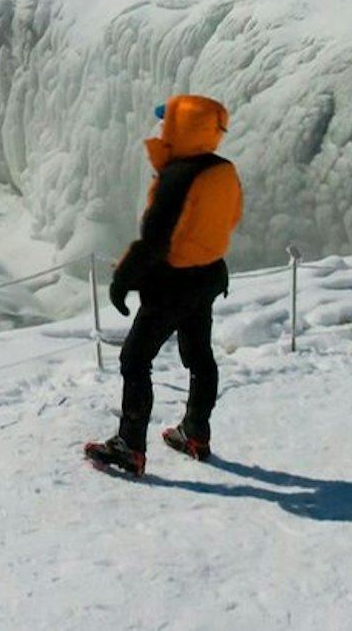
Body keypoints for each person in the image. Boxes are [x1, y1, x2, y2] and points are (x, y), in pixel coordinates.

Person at [85, 94, 243, 476]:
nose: (161, 130)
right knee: (199, 356)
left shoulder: (177, 177)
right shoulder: (222, 170)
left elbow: (153, 241)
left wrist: (123, 279)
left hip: (173, 284)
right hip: (208, 276)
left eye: (166, 123)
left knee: (135, 359)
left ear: (182, 130)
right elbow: (230, 218)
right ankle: (195, 433)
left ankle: (129, 446)